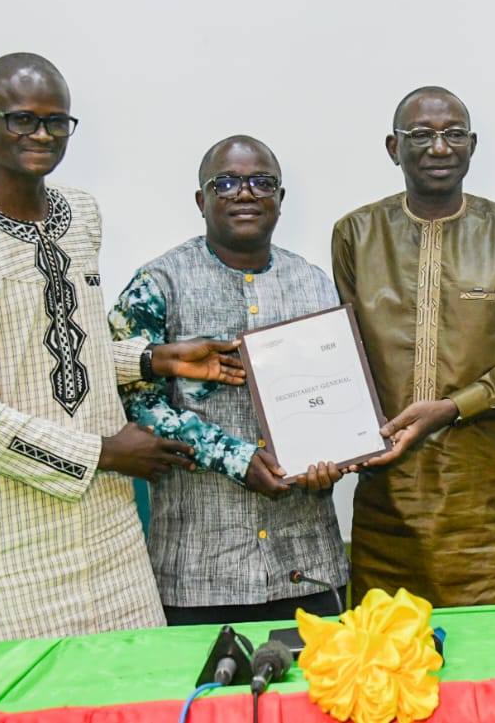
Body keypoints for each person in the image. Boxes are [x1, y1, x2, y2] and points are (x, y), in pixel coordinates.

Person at [0, 53, 242, 642]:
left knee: (139, 693)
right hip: (2, 547)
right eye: (23, 120)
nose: (42, 136)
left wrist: (153, 358)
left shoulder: (80, 216)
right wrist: (102, 453)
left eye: (57, 123)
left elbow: (54, 352)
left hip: (107, 537)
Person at [331, 86, 495, 607]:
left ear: (472, 145)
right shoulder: (356, 235)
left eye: (454, 134)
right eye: (422, 135)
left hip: (489, 497)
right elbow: (343, 359)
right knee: (388, 654)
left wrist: (454, 407)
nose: (440, 147)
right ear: (394, 148)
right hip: (389, 493)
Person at [109, 135, 349, 624]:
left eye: (262, 182)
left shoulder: (316, 285)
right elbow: (140, 410)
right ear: (201, 200)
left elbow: (337, 397)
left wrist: (339, 454)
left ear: (280, 200)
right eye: (227, 183)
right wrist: (236, 459)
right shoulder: (158, 285)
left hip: (309, 566)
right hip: (198, 574)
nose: (246, 193)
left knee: (315, 699)